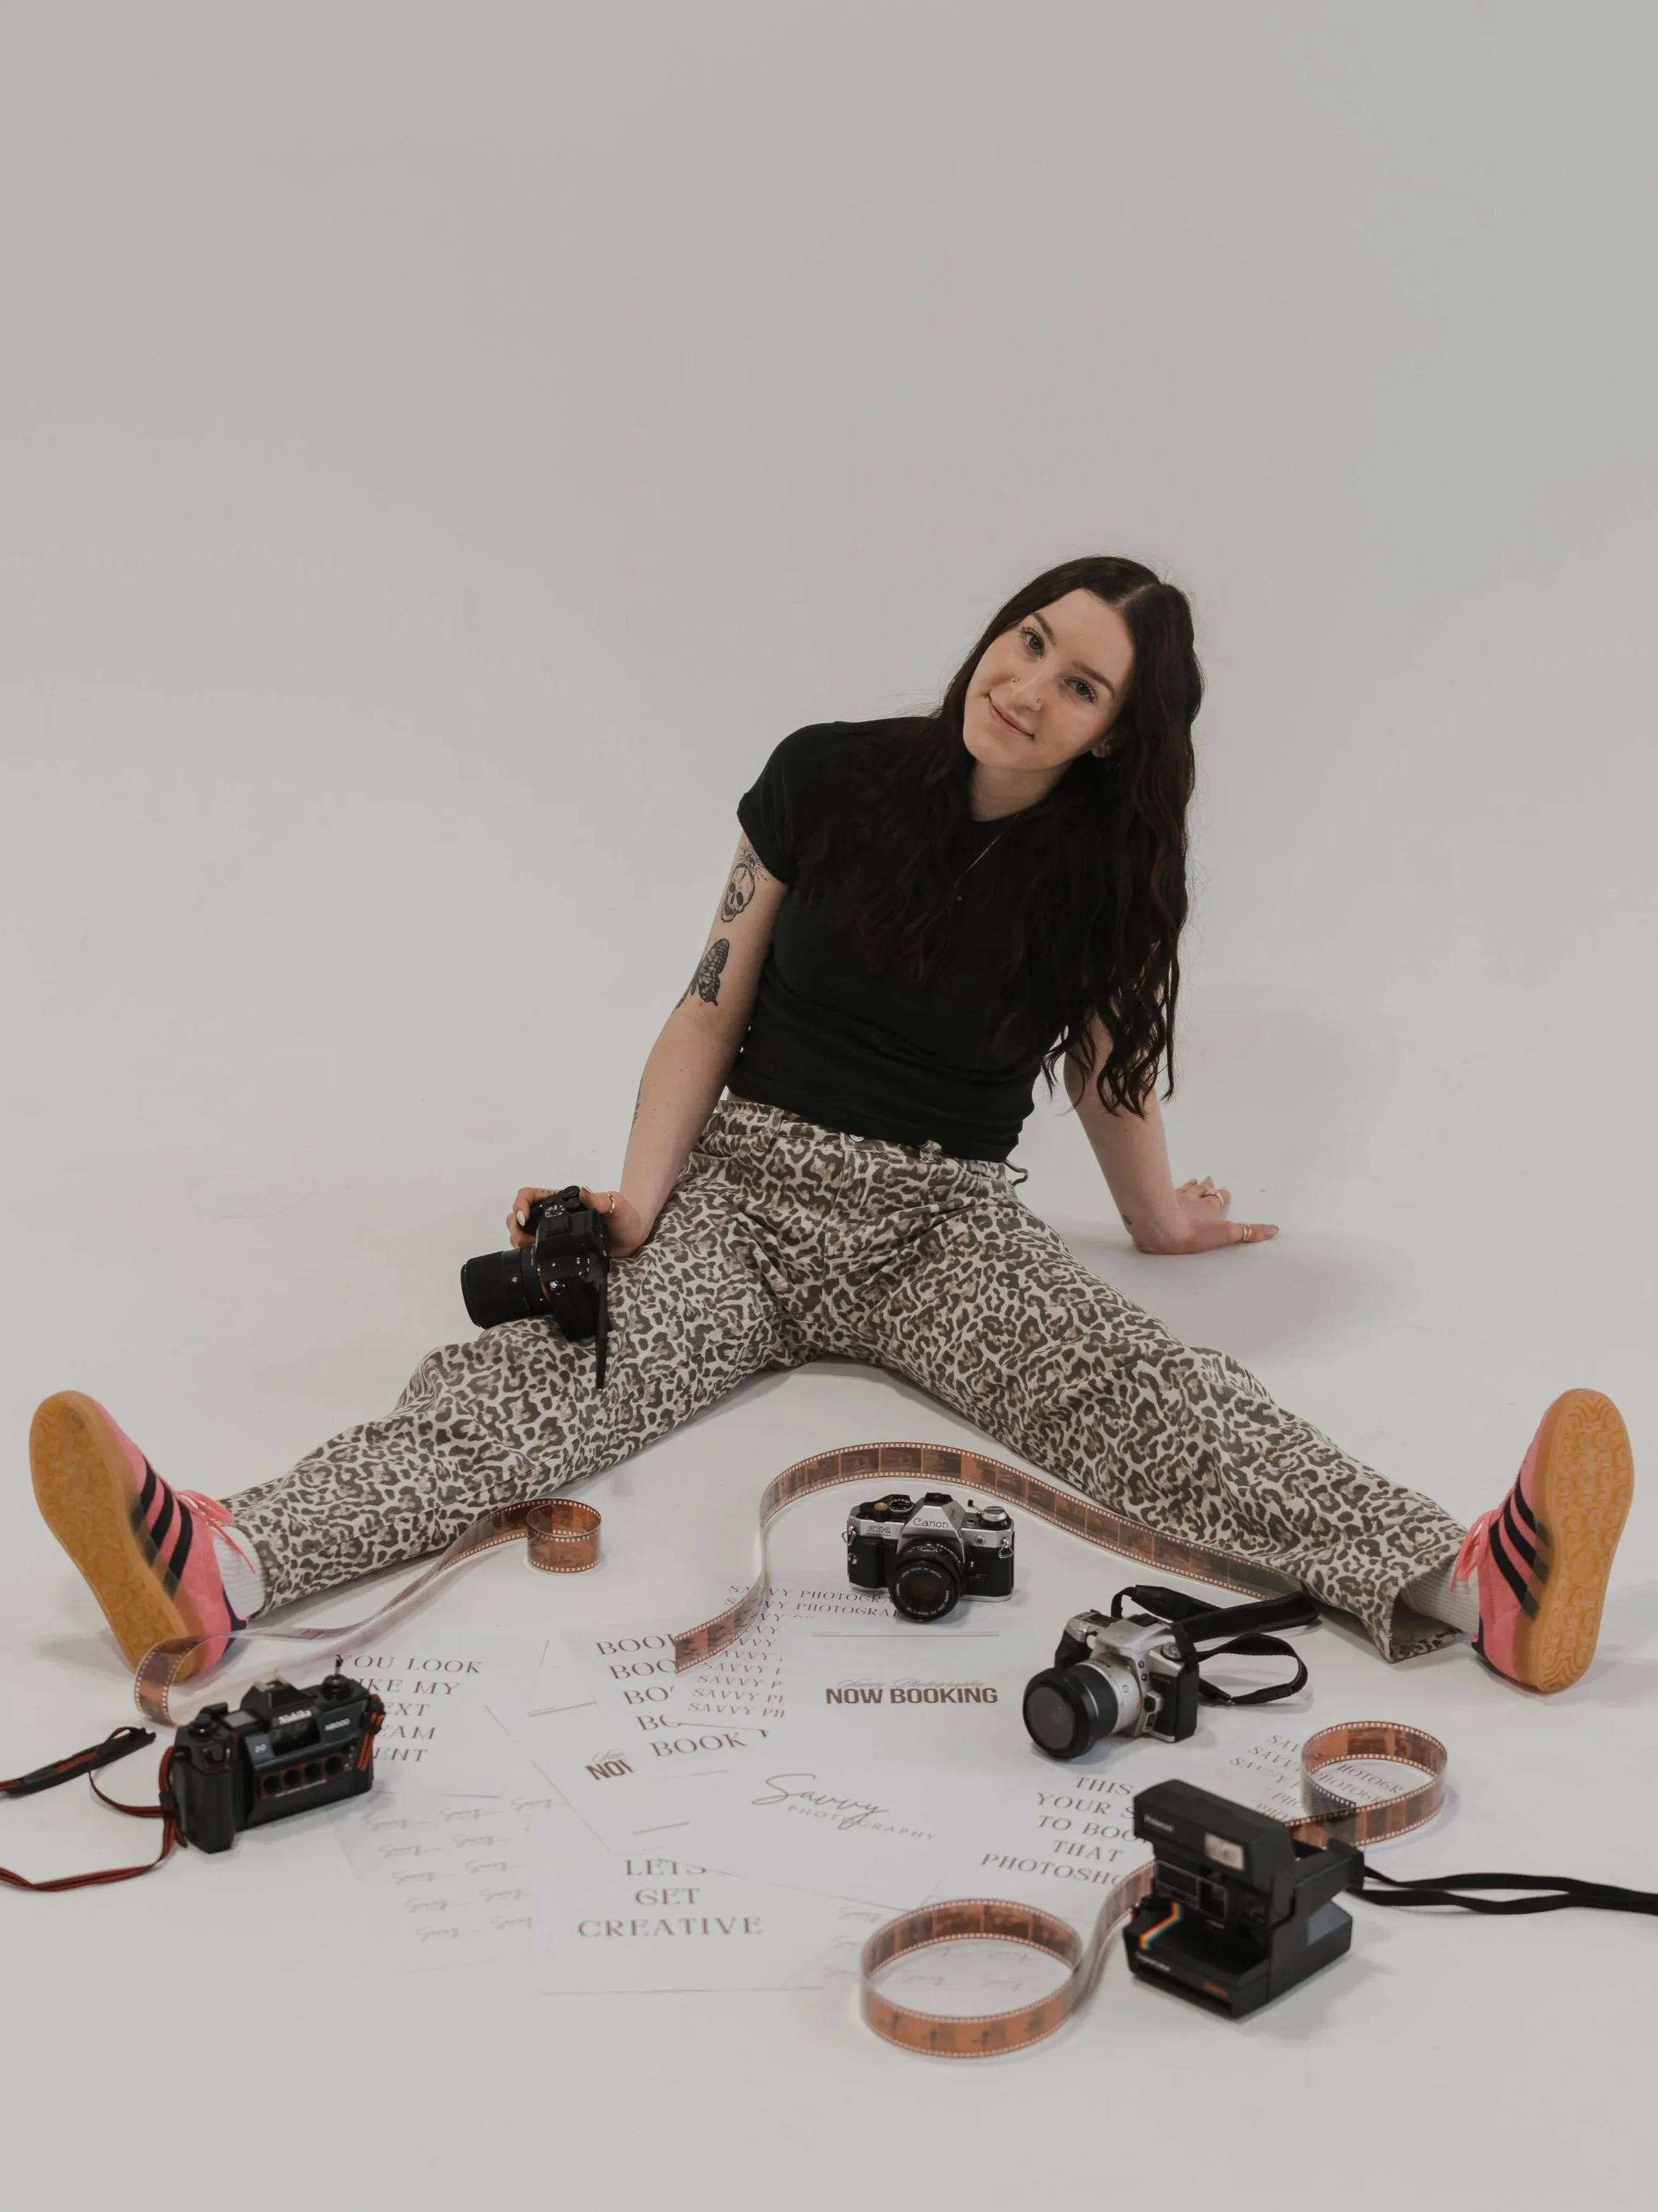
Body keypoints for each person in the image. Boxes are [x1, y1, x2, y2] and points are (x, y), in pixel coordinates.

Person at [29, 556, 1634, 1696]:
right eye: (1027, 642)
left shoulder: (1096, 884)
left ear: (1108, 737)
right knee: (535, 1384)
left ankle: (1473, 1583)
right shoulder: (823, 776)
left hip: (939, 1220)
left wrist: (1157, 1224)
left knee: (1149, 1393)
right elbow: (705, 1006)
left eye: (1079, 685)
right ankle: (224, 1564)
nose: (1028, 686)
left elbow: (1104, 1079)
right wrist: (640, 1207)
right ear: (991, 636)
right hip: (740, 1189)